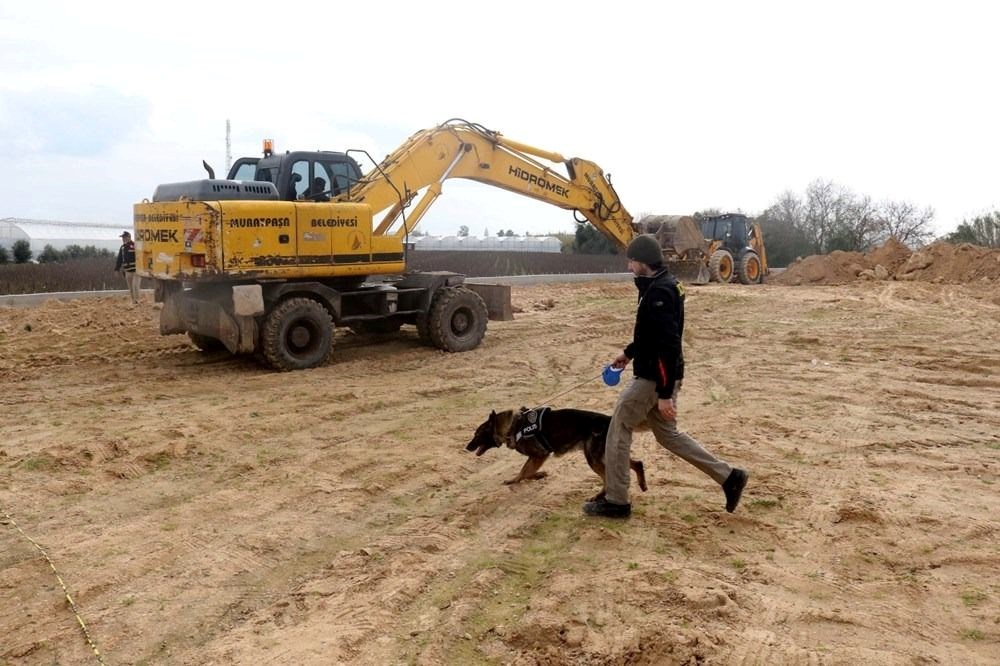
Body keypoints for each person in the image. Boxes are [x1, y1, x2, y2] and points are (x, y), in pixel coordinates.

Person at [583, 234, 749, 519]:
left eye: (631, 261)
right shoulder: (659, 286)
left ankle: (617, 500)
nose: (629, 267)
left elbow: (667, 347)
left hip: (654, 377)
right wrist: (629, 353)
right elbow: (651, 335)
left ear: (642, 261)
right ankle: (730, 477)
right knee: (668, 436)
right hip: (658, 373)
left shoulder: (659, 293)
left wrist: (663, 394)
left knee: (619, 425)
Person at [114, 231, 140, 304]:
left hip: (136, 271)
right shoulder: (122, 248)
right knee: (130, 288)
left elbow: (140, 257)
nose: (123, 239)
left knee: (135, 286)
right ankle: (133, 301)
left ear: (129, 237)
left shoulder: (135, 245)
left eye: (124, 237)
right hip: (127, 271)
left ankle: (137, 300)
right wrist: (117, 269)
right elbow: (119, 259)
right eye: (122, 238)